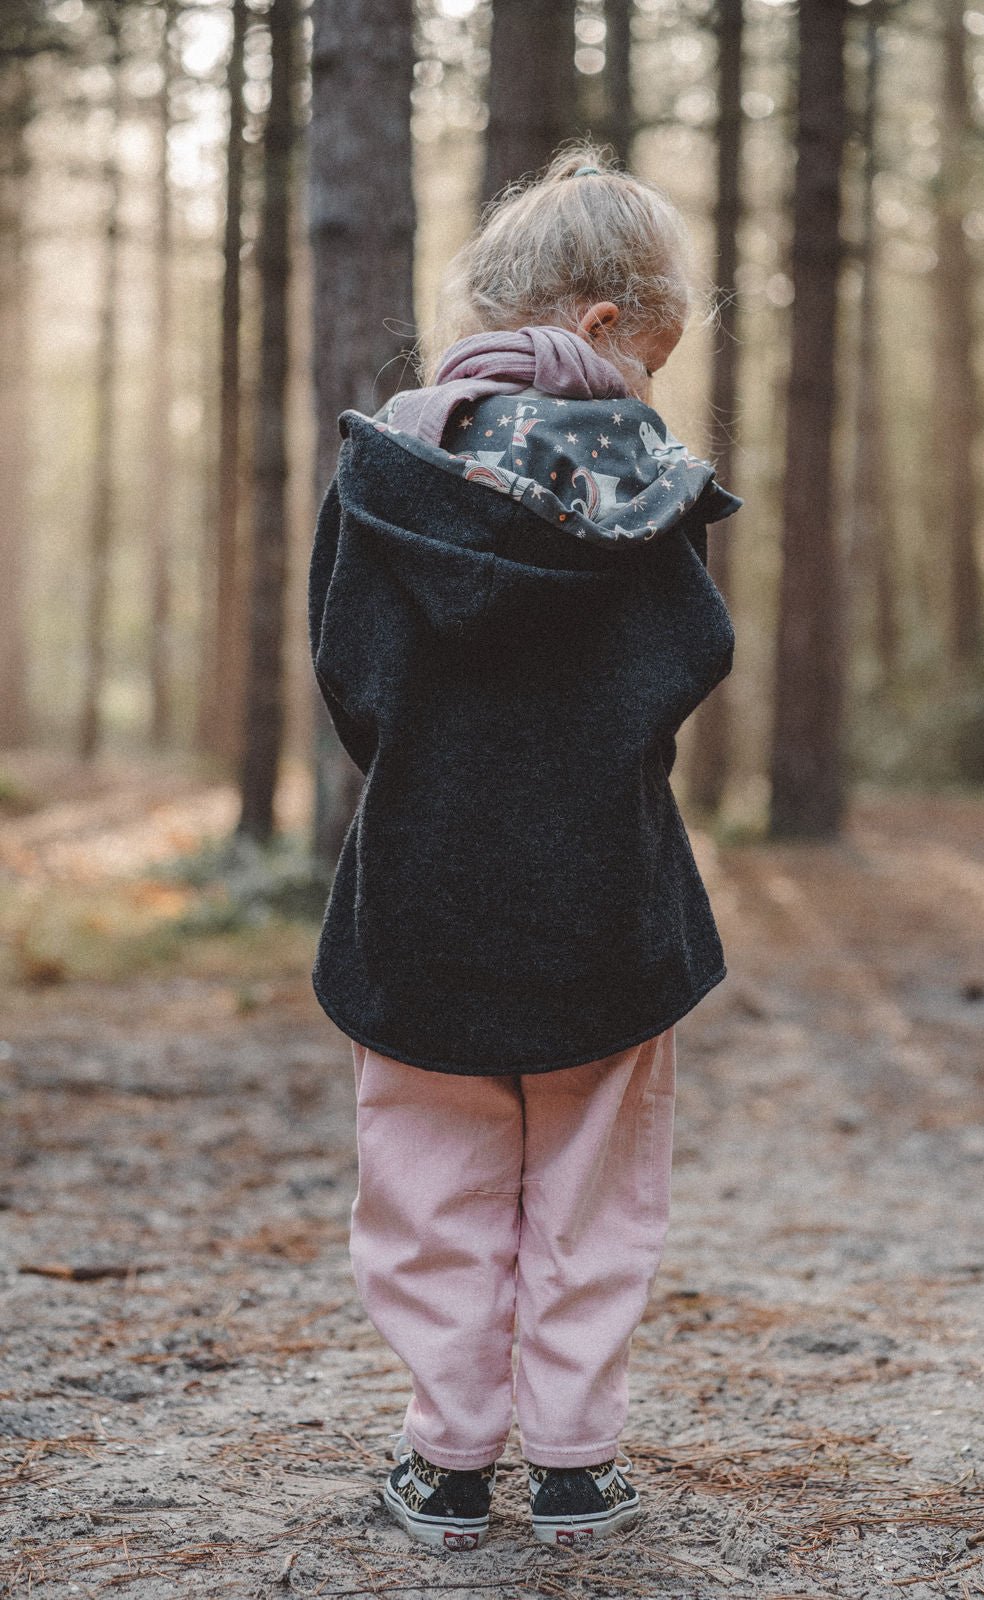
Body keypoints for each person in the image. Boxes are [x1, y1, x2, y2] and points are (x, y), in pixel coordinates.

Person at [308, 144, 742, 1552]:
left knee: (429, 1181)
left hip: (420, 885)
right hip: (603, 891)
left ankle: (445, 1465)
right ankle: (570, 1464)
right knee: (595, 1185)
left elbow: (353, 675)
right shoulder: (645, 482)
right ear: (605, 328)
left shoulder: (388, 461)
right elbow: (690, 652)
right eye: (654, 357)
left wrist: (446, 771)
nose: (651, 394)